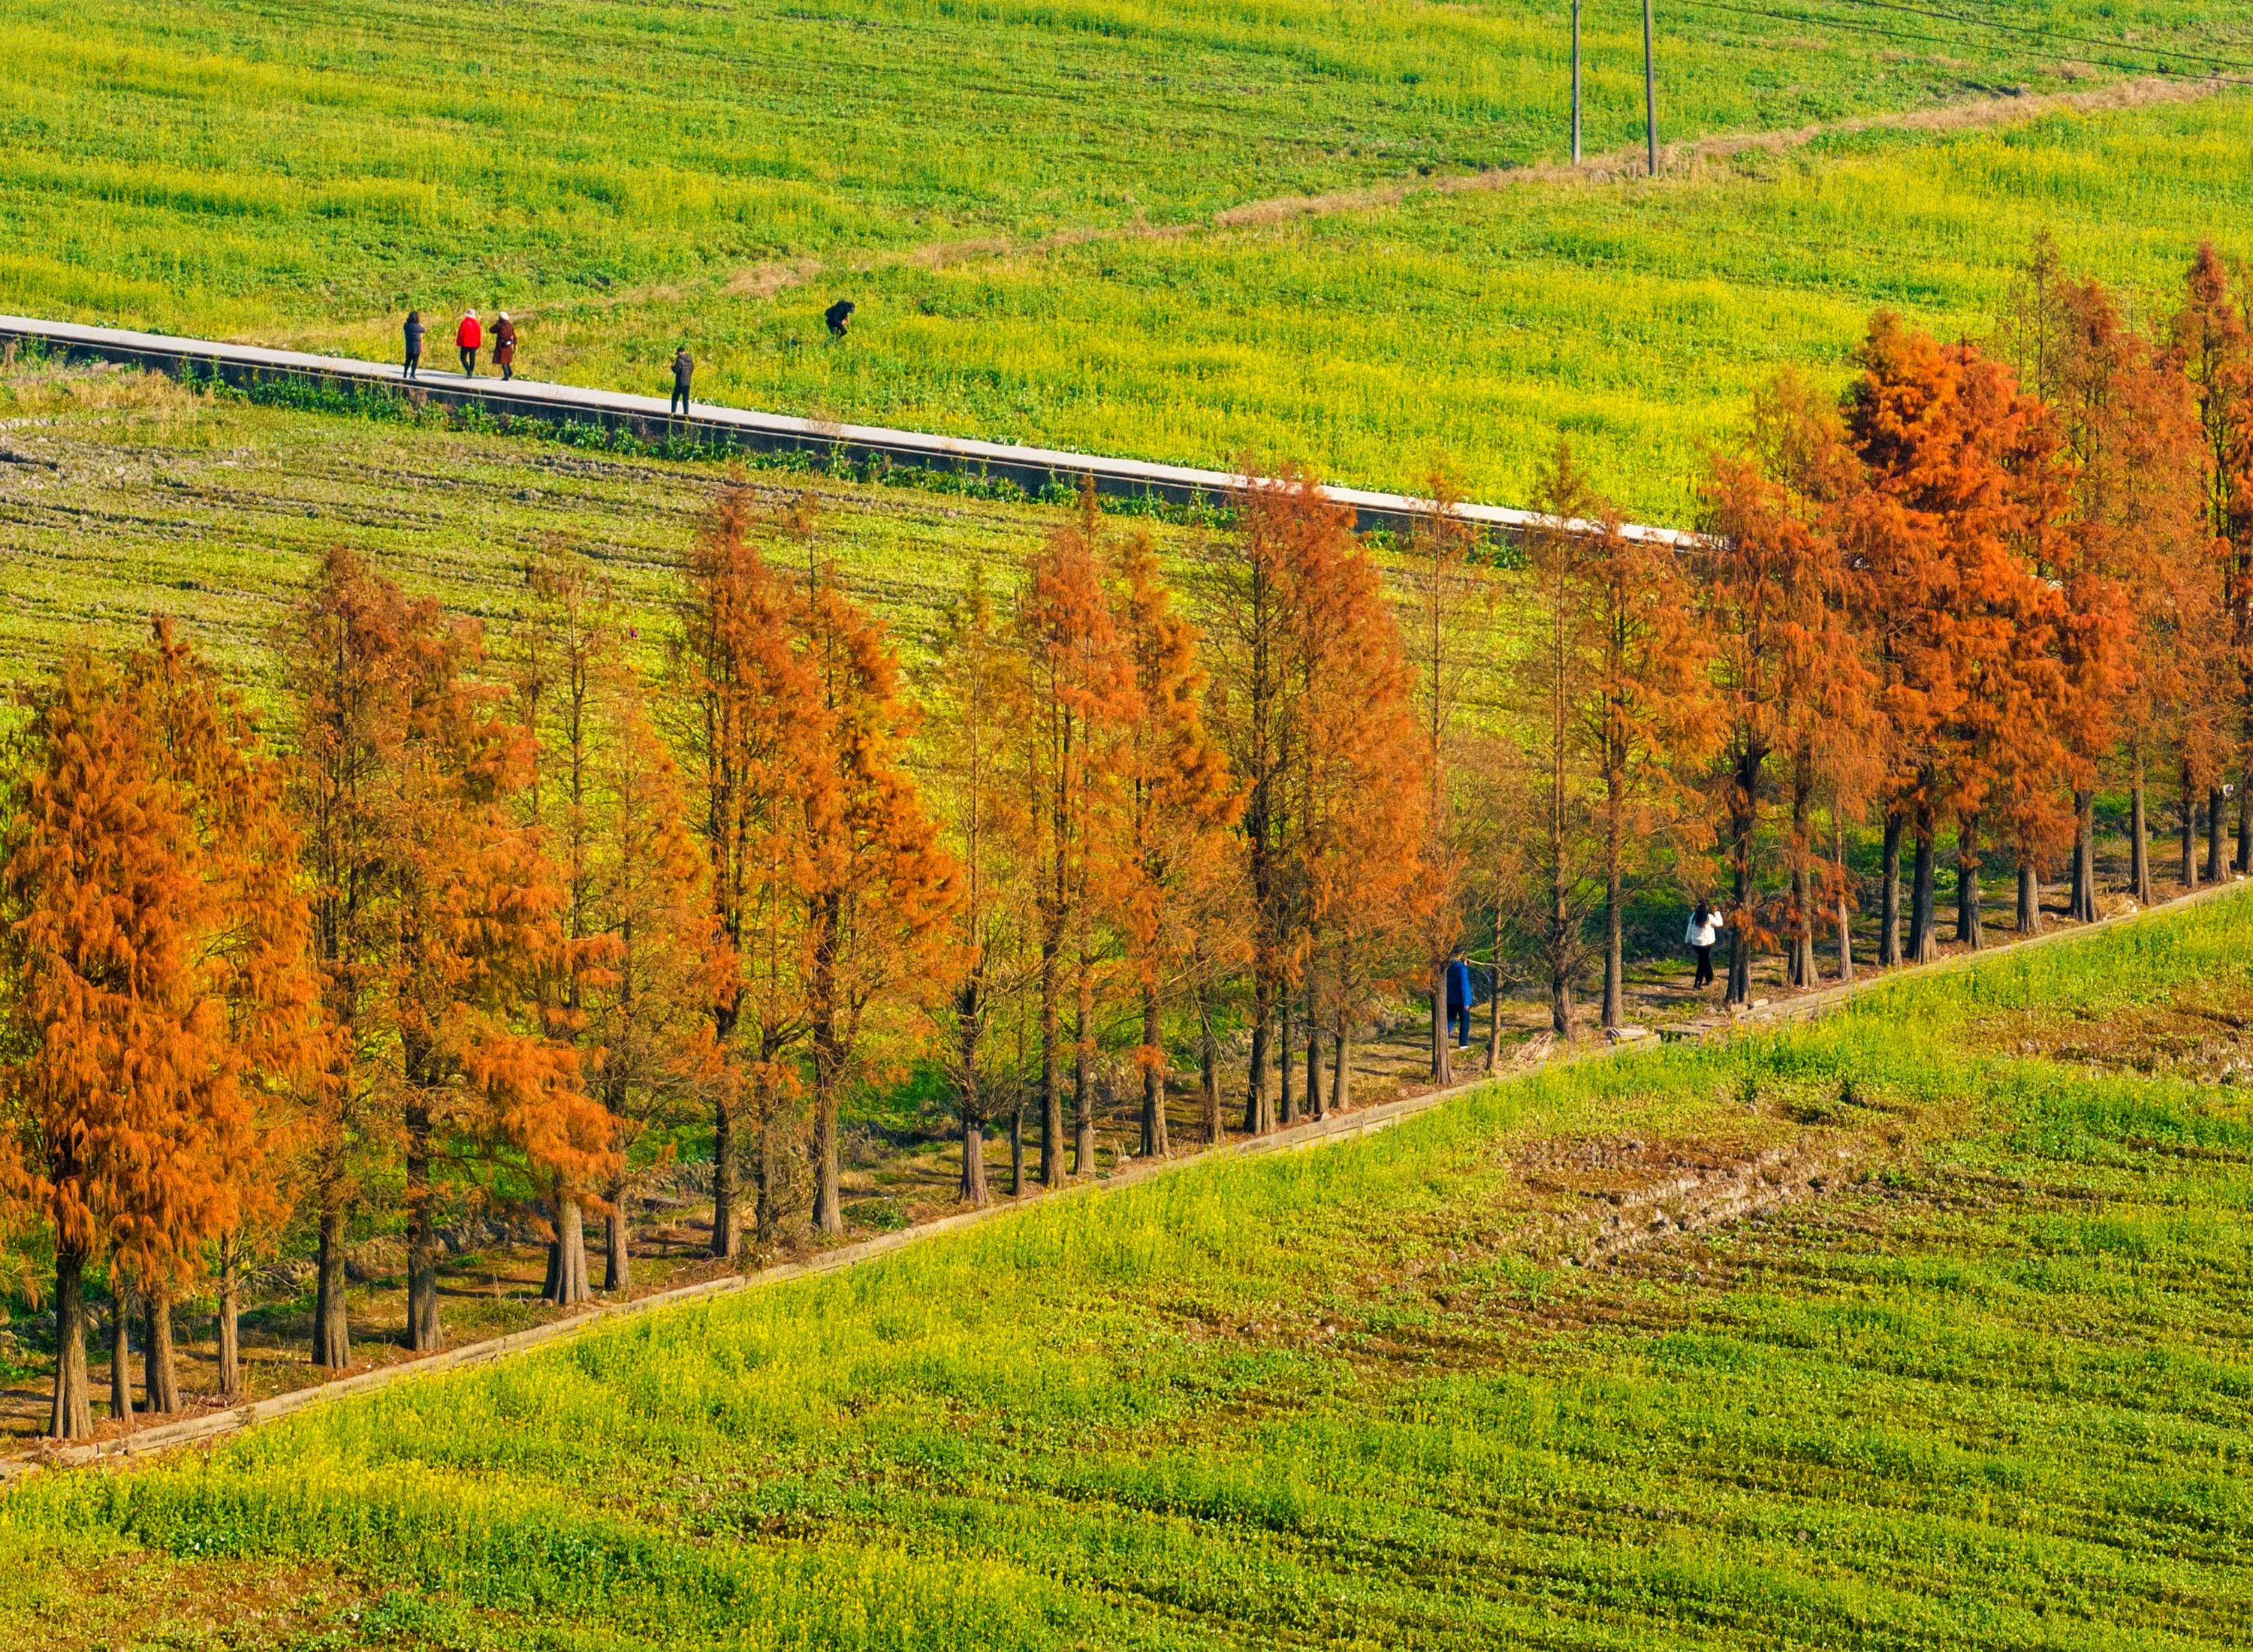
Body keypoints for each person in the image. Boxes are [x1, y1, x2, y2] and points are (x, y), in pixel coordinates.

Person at [1686, 900, 1725, 990]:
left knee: (1704, 960)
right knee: (1702, 962)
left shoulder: (1693, 917)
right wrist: (1717, 912)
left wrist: (1687, 940)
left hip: (1696, 943)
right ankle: (1697, 984)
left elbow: (1689, 929)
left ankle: (1709, 978)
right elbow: (1720, 923)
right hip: (1707, 943)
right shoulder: (1709, 917)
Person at [1445, 950, 1473, 1050]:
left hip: (1450, 998)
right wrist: (1466, 1001)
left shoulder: (1449, 968)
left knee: (1450, 1019)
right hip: (1461, 1000)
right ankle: (1463, 1043)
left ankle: (1444, 1038)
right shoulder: (1462, 969)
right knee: (1464, 1020)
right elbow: (1464, 985)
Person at [457, 309, 483, 377]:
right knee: (472, 358)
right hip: (474, 344)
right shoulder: (477, 323)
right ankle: (471, 371)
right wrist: (478, 343)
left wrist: (458, 342)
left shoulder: (464, 322)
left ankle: (468, 370)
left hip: (465, 343)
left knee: (463, 358)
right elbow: (479, 335)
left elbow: (460, 334)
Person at [492, 311, 517, 381]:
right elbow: (514, 335)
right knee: (507, 360)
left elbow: (491, 330)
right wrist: (515, 344)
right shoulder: (510, 325)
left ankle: (506, 376)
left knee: (503, 361)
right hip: (509, 345)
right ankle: (510, 374)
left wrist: (496, 323)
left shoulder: (499, 325)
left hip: (502, 345)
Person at [670, 345, 693, 418]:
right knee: (685, 399)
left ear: (680, 352)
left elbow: (677, 370)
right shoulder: (690, 359)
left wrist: (672, 368)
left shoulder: (680, 360)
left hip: (680, 382)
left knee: (675, 398)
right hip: (688, 382)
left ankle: (673, 412)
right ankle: (686, 413)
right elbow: (692, 369)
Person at [403, 310, 424, 380]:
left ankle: (405, 373)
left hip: (409, 346)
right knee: (415, 361)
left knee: (408, 360)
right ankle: (412, 374)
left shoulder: (406, 325)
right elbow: (423, 329)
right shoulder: (417, 327)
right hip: (417, 347)